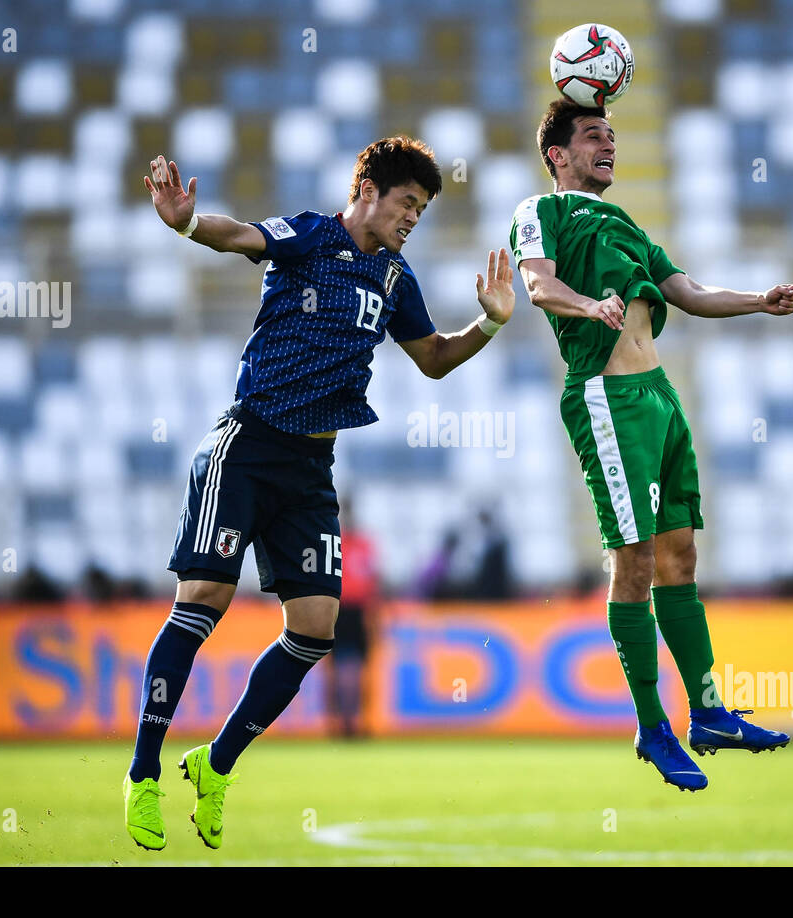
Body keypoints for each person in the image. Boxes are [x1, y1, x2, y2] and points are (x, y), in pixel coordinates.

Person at [122, 138, 515, 851]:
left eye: (421, 212)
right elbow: (239, 235)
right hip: (248, 446)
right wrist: (184, 222)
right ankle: (144, 774)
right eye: (406, 204)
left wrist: (487, 323)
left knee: (314, 631)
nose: (411, 220)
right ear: (368, 190)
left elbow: (431, 360)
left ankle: (215, 766)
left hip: (311, 468)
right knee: (203, 600)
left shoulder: (395, 279)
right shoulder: (309, 234)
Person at [510, 100, 793, 792]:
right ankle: (652, 726)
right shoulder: (541, 210)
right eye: (593, 136)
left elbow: (687, 292)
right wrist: (590, 306)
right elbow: (536, 283)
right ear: (557, 154)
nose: (608, 143)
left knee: (680, 554)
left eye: (612, 135)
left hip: (660, 397)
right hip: (607, 399)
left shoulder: (627, 223)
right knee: (633, 559)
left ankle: (708, 714)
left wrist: (758, 301)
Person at [324, 500, 379, 738]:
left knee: (346, 670)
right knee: (349, 670)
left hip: (344, 610)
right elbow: (372, 583)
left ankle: (345, 723)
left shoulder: (336, 544)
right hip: (345, 610)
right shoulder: (359, 545)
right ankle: (348, 722)